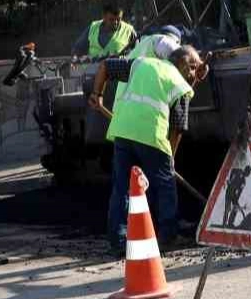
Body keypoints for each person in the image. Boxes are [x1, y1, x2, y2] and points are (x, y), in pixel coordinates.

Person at [89, 44, 209, 255]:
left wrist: (97, 93)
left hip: (123, 131)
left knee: (122, 188)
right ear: (181, 63)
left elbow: (105, 66)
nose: (194, 74)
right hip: (151, 135)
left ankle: (118, 242)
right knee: (165, 185)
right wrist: (170, 160)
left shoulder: (141, 63)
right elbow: (177, 129)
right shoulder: (180, 85)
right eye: (192, 67)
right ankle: (168, 237)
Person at [72, 3, 137, 60]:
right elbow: (78, 49)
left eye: (118, 19)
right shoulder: (92, 28)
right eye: (111, 19)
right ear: (104, 17)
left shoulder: (129, 30)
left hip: (117, 71)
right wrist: (75, 59)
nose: (115, 22)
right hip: (92, 71)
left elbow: (138, 50)